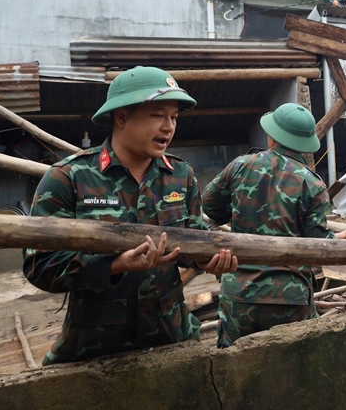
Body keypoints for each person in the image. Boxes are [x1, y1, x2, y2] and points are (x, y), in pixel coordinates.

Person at [24, 67, 237, 365]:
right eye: (157, 115)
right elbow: (40, 266)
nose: (168, 127)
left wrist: (207, 259)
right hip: (94, 350)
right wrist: (114, 265)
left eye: (174, 117)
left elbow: (192, 241)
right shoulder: (69, 178)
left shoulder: (181, 176)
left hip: (171, 339)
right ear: (122, 117)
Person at [202, 103, 346, 348]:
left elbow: (210, 206)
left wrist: (237, 213)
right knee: (297, 369)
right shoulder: (313, 184)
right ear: (305, 143)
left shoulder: (240, 166)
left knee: (234, 370)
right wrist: (339, 239)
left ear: (271, 138)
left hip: (240, 293)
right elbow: (318, 247)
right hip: (290, 296)